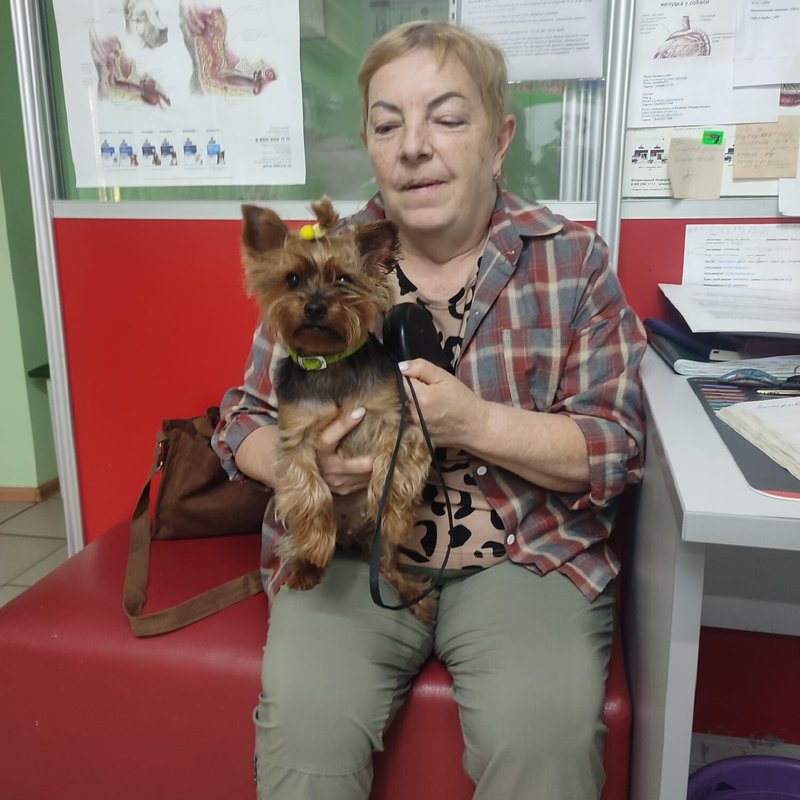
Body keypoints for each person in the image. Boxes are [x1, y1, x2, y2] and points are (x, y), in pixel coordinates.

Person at [213, 19, 646, 800]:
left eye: (446, 118)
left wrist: (473, 423)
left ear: (500, 138)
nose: (413, 146)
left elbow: (613, 446)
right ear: (369, 143)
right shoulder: (322, 261)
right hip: (348, 553)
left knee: (543, 740)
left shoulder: (570, 259)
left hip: (522, 550)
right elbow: (241, 421)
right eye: (388, 125)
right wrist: (304, 465)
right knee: (306, 737)